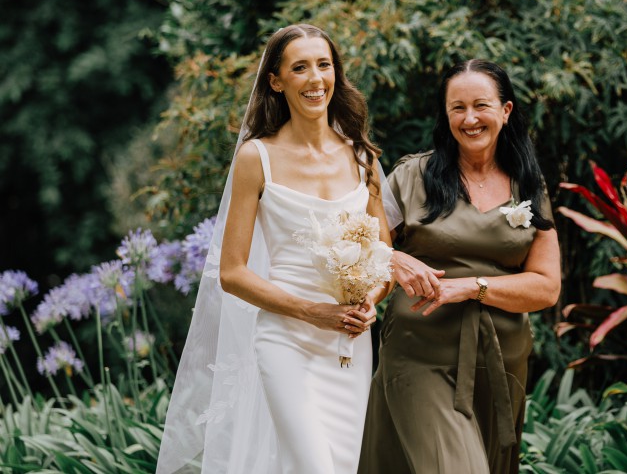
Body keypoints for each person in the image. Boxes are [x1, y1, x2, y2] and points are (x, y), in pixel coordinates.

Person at [157, 24, 390, 473]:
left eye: (324, 65)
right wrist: (311, 311)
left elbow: (384, 254)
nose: (315, 78)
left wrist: (370, 302)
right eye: (299, 67)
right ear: (276, 81)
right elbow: (233, 273)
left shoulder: (362, 156)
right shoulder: (256, 158)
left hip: (349, 344)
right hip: (286, 340)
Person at [359, 59, 561, 473]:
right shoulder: (411, 177)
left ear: (505, 111)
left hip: (503, 364)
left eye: (480, 105)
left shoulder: (530, 185)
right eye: (457, 108)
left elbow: (546, 287)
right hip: (419, 356)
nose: (469, 119)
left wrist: (472, 286)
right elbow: (364, 247)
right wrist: (394, 258)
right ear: (445, 114)